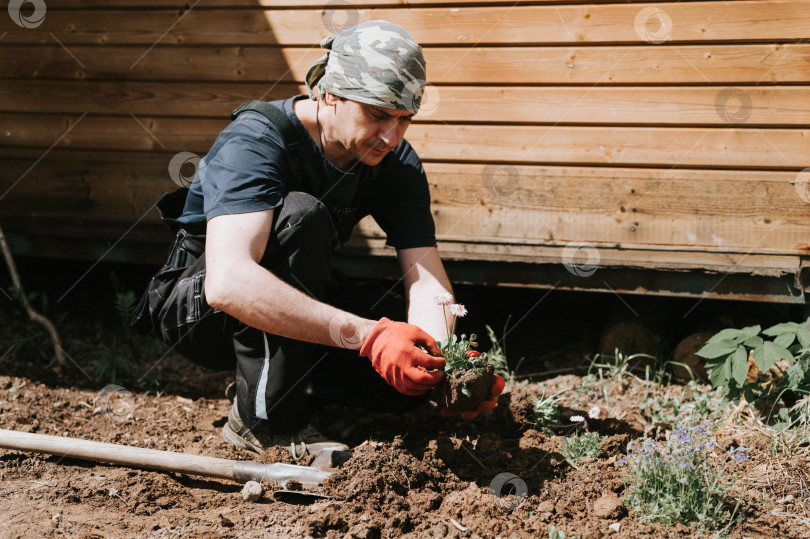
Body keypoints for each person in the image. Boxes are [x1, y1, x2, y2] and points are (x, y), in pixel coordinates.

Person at [132, 21, 504, 459]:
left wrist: (441, 364)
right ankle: (267, 423)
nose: (392, 136)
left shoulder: (394, 162)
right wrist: (368, 337)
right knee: (300, 216)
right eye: (378, 114)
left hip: (288, 294)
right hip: (197, 314)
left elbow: (426, 280)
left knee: (406, 362)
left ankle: (289, 390)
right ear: (330, 94)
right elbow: (228, 281)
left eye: (405, 119)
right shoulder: (257, 140)